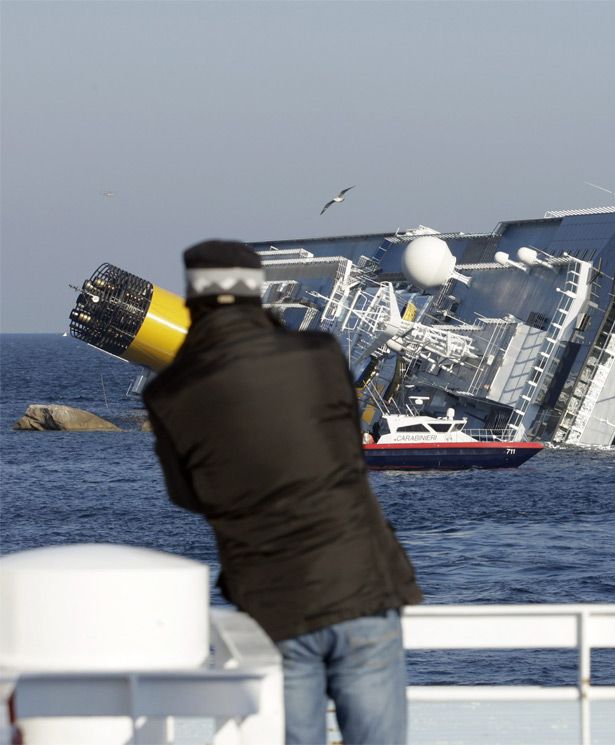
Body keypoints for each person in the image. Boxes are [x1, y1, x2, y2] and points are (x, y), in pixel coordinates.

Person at [143, 240, 422, 745]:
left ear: (192, 300)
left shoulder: (169, 393)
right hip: (363, 582)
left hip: (273, 599)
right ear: (257, 294)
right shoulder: (317, 355)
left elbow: (188, 496)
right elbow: (346, 450)